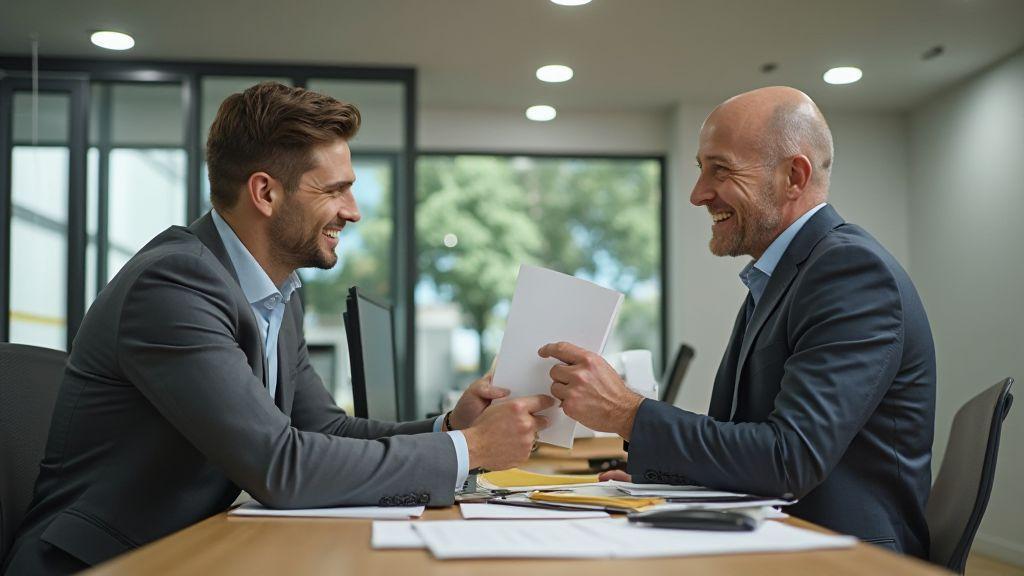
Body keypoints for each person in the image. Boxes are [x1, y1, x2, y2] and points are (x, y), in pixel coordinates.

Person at [2, 82, 553, 575]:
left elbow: (325, 432)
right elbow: (281, 465)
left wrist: (448, 427)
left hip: (195, 548)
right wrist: (471, 448)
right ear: (265, 193)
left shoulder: (277, 293)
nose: (354, 211)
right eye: (334, 190)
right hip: (109, 562)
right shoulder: (175, 286)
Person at [539, 86, 936, 558]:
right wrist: (669, 483)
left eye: (720, 170)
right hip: (786, 538)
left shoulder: (849, 273)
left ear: (794, 175)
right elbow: (755, 447)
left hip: (842, 557)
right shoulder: (783, 277)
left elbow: (790, 459)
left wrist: (628, 412)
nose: (697, 194)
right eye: (700, 169)